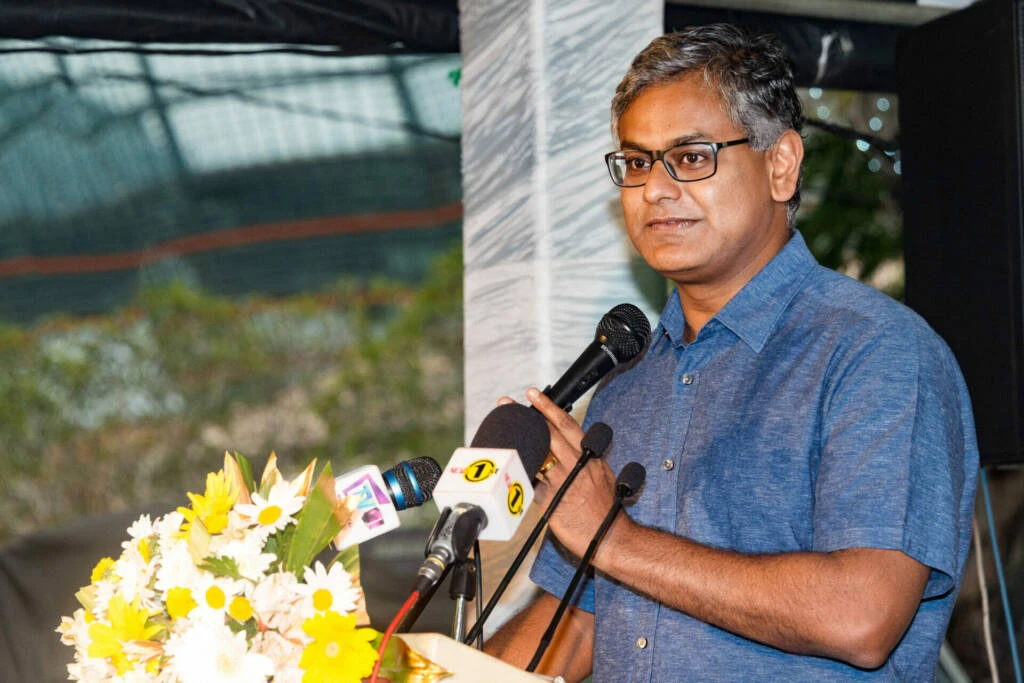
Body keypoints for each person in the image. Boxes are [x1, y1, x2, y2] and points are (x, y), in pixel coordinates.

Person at [484, 23, 979, 681]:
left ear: (781, 165)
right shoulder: (625, 386)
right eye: (635, 163)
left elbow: (862, 615)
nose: (654, 190)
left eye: (690, 158)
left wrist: (616, 538)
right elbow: (577, 625)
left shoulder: (876, 353)